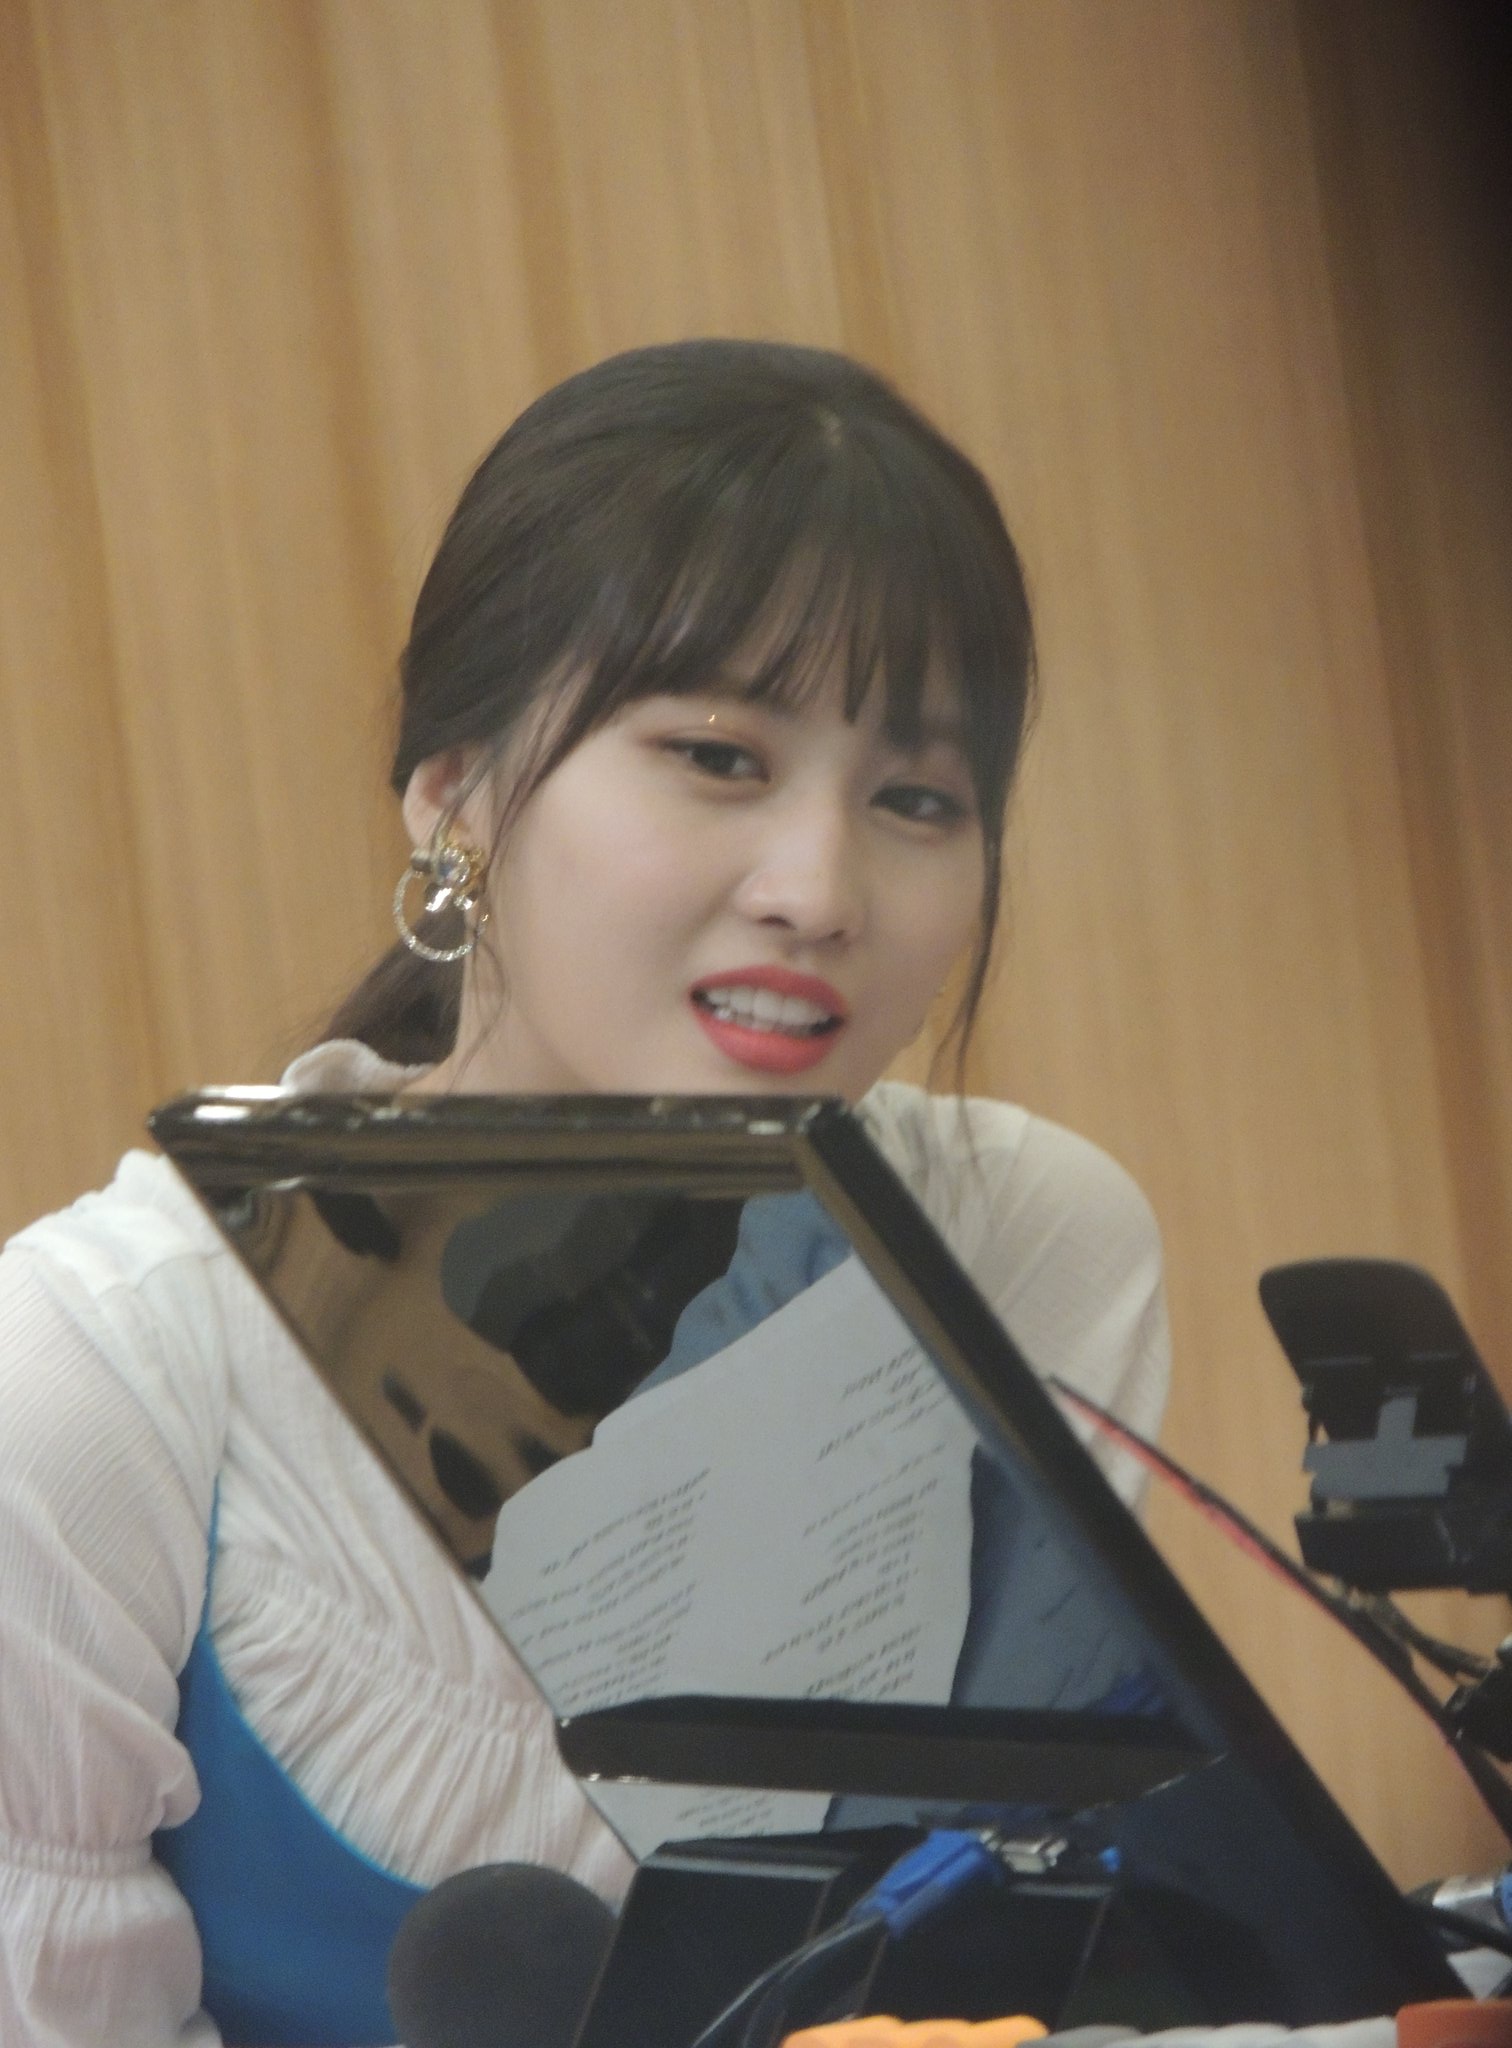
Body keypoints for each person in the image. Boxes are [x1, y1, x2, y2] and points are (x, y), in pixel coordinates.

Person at [0, 340, 1170, 2047]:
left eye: (917, 798)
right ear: (455, 796)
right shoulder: (98, 1374)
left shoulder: (1023, 1245)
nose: (820, 889)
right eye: (718, 756)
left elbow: (1049, 1929)